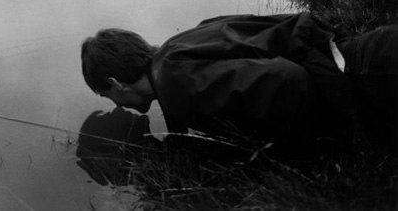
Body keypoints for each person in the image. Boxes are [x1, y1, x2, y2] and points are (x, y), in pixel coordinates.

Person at [81, 13, 398, 154]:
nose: (118, 105)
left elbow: (290, 81)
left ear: (116, 84)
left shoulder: (176, 85)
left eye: (109, 97)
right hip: (362, 52)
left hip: (370, 78)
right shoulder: (175, 49)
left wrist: (310, 150)